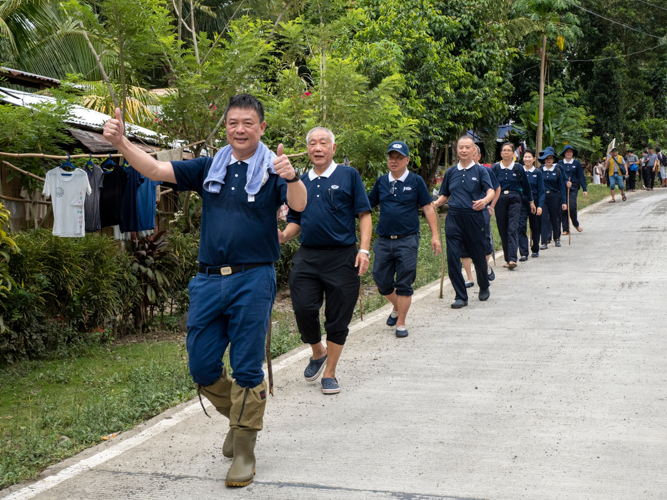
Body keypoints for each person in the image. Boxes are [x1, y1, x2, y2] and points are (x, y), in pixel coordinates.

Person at [102, 95, 307, 487]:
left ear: (262, 128)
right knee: (201, 365)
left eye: (248, 123)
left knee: (247, 367)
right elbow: (157, 169)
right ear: (226, 127)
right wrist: (122, 145)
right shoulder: (210, 167)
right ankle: (240, 415)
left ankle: (244, 451)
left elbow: (300, 206)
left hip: (253, 277)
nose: (240, 129)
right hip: (209, 280)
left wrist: (292, 177)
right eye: (233, 122)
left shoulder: (272, 170)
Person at [279, 127, 372, 395]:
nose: (317, 148)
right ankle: (317, 351)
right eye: (312, 144)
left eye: (323, 143)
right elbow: (295, 222)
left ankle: (329, 372)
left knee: (337, 318)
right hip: (308, 255)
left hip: (343, 256)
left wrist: (363, 251)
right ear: (307, 150)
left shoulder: (348, 175)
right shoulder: (298, 182)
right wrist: (283, 236)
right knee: (303, 308)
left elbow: (364, 214)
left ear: (333, 148)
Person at [367, 141, 441, 338]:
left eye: (399, 157)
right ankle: (397, 306)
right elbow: (366, 205)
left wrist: (435, 236)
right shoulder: (382, 181)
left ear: (407, 160)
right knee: (381, 280)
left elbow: (427, 208)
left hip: (407, 240)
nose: (394, 161)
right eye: (391, 157)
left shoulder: (416, 181)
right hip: (383, 240)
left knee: (404, 282)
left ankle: (401, 323)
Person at [433, 136, 495, 308]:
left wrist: (485, 201)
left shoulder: (480, 171)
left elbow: (490, 190)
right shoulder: (451, 172)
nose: (464, 150)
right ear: (457, 150)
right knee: (453, 258)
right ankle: (461, 296)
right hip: (454, 217)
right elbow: (445, 194)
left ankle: (484, 285)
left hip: (474, 217)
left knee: (478, 256)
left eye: (468, 147)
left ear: (474, 150)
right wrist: (437, 203)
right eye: (461, 147)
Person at [491, 142, 534, 270]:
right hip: (499, 199)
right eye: (504, 150)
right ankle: (507, 257)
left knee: (512, 228)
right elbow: (490, 187)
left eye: (509, 150)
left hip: (515, 199)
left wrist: (531, 201)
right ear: (501, 153)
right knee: (503, 229)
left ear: (513, 153)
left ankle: (512, 258)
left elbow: (526, 186)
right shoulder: (495, 168)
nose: (506, 152)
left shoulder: (518, 168)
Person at [460, 145, 499, 288]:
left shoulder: (485, 171)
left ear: (477, 155)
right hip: (463, 214)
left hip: (481, 213)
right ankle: (469, 277)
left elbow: (496, 189)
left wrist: (490, 205)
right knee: (464, 245)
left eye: (473, 153)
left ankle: (484, 267)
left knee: (484, 243)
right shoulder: (458, 171)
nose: (469, 154)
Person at [518, 149, 545, 260]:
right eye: (525, 157)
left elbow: (541, 191)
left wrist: (540, 206)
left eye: (529, 157)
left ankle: (535, 248)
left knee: (535, 226)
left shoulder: (537, 173)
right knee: (521, 226)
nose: (527, 159)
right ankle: (524, 252)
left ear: (534, 159)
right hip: (522, 202)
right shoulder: (519, 171)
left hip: (535, 201)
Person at [539, 148, 567, 250]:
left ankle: (557, 238)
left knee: (555, 218)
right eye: (546, 158)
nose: (548, 160)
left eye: (550, 158)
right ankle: (544, 241)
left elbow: (562, 187)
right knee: (544, 219)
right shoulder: (540, 170)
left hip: (555, 197)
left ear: (553, 159)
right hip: (543, 197)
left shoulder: (557, 170)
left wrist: (564, 201)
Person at [558, 145, 587, 235]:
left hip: (573, 187)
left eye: (570, 151)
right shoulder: (560, 163)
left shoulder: (576, 163)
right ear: (564, 153)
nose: (569, 153)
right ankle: (565, 229)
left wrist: (584, 189)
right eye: (567, 152)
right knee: (563, 208)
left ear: (573, 153)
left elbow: (581, 176)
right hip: (562, 188)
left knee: (572, 206)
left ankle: (575, 224)